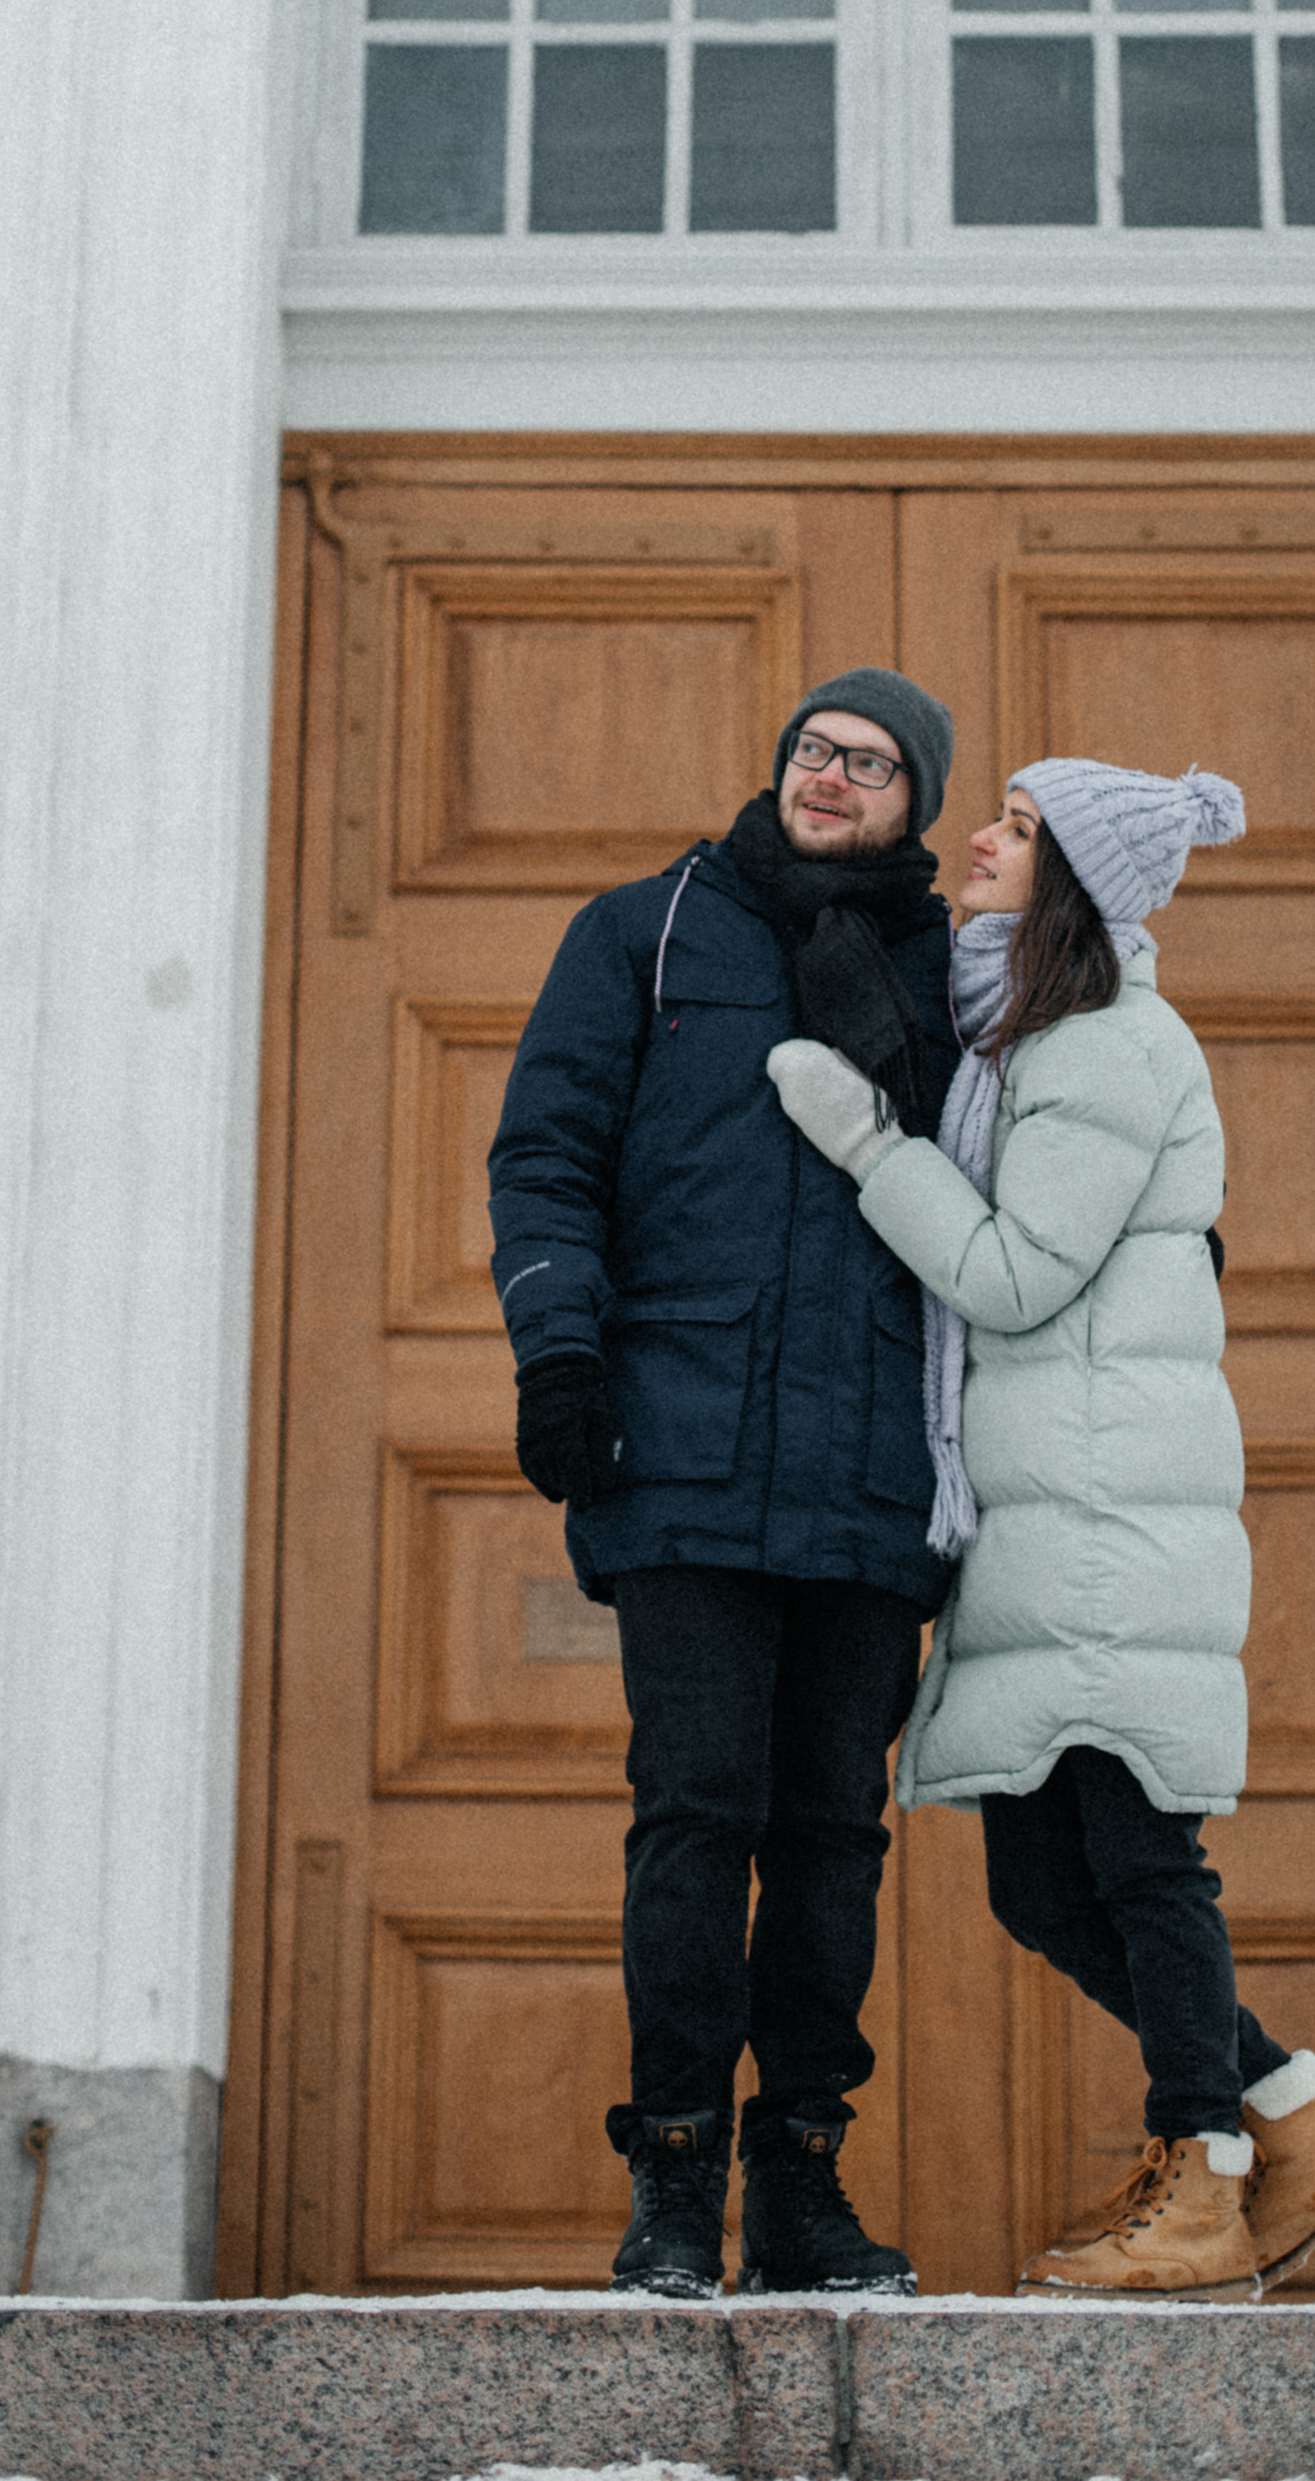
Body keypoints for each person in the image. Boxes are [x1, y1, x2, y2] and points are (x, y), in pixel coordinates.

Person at [768, 755, 1315, 2300]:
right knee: (1042, 1882)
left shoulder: (1105, 1044)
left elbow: (1011, 1277)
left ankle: (1202, 2179)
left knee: (1134, 1852)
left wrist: (867, 1145)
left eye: (1016, 829)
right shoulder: (1031, 1036)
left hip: (1111, 1502)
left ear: (1073, 881)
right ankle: (1296, 2127)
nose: (978, 843)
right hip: (1057, 1498)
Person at [487, 668, 961, 2301]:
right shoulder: (645, 932)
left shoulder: (956, 967)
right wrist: (559, 1357)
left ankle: (803, 2180)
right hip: (680, 1443)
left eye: (874, 765)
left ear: (916, 804)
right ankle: (676, 2177)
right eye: (817, 749)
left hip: (877, 1460)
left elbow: (1040, 1161)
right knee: (695, 1813)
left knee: (832, 1833)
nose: (833, 777)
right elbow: (547, 1154)